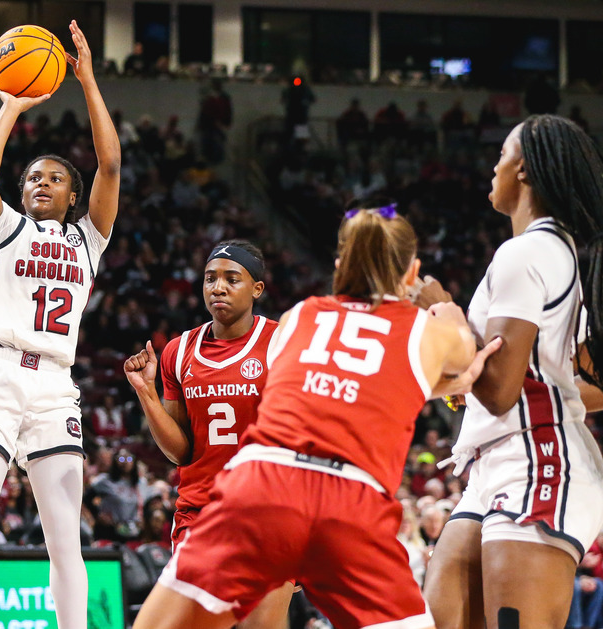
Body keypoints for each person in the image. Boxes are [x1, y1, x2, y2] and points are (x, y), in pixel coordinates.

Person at [132, 203, 495, 629]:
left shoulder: (297, 318)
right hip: (348, 497)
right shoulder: (425, 330)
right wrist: (440, 304)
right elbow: (461, 363)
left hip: (260, 485)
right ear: (411, 273)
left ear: (340, 266)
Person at [0, 21, 120, 629]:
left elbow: (111, 166)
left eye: (55, 178)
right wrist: (11, 107)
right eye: (33, 177)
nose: (42, 183)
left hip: (54, 390)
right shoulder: (4, 226)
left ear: (72, 196)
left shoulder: (88, 240)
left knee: (66, 543)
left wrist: (88, 80)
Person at [421, 115, 603, 629]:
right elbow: (579, 386)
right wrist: (467, 384)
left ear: (522, 169)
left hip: (537, 459)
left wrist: (444, 313)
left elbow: (501, 390)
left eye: (501, 154)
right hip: (495, 463)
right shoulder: (560, 253)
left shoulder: (527, 253)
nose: (493, 166)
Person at [124, 239, 294, 628]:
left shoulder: (281, 343)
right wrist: (146, 393)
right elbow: (180, 452)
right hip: (201, 510)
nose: (218, 287)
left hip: (268, 511)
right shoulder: (178, 351)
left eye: (232, 279)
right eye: (210, 279)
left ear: (257, 288)